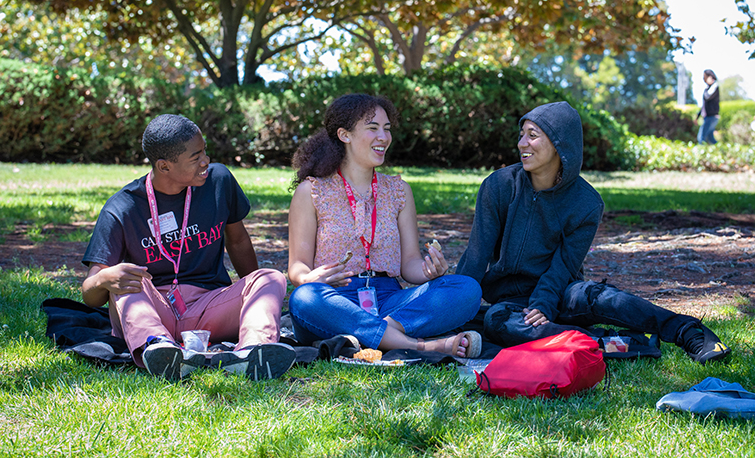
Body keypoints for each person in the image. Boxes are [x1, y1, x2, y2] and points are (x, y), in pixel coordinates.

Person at [456, 101, 731, 365]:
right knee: (496, 320)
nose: (521, 144)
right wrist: (451, 300)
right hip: (510, 302)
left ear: (558, 143)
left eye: (532, 136)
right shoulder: (499, 186)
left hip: (563, 292)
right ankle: (614, 343)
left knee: (602, 297)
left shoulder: (586, 203)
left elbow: (563, 267)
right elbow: (477, 254)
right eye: (521, 135)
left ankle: (686, 330)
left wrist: (542, 305)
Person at [81, 114, 295, 380]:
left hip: (209, 307)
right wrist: (104, 278)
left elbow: (238, 241)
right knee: (126, 283)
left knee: (270, 278)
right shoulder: (122, 209)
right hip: (152, 309)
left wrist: (252, 294)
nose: (206, 161)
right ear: (164, 166)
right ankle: (159, 349)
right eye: (196, 158)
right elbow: (90, 294)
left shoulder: (219, 181)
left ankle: (253, 351)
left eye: (205, 151)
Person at [287, 93, 483, 358]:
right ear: (344, 135)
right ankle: (416, 345)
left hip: (392, 302)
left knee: (467, 289)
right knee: (304, 299)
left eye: (387, 129)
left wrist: (429, 272)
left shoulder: (399, 190)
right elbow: (297, 266)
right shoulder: (312, 191)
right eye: (372, 128)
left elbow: (410, 265)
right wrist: (308, 278)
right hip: (336, 301)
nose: (384, 137)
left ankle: (375, 335)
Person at [696, 69, 720, 145]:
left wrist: (707, 87)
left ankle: (701, 154)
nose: (704, 79)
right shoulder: (709, 88)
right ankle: (721, 151)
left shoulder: (714, 86)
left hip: (711, 117)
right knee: (710, 138)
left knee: (701, 138)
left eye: (705, 77)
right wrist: (698, 116)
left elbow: (707, 97)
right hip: (708, 117)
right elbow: (704, 105)